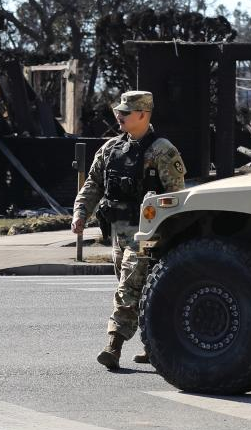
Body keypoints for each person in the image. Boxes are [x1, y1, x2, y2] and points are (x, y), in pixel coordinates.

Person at [72, 90, 186, 370]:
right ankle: (154, 345)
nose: (119, 116)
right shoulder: (111, 148)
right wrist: (80, 213)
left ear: (143, 115)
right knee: (144, 291)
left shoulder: (162, 151)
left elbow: (177, 198)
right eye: (118, 111)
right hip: (118, 232)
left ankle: (113, 345)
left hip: (147, 235)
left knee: (128, 287)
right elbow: (93, 184)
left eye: (125, 112)